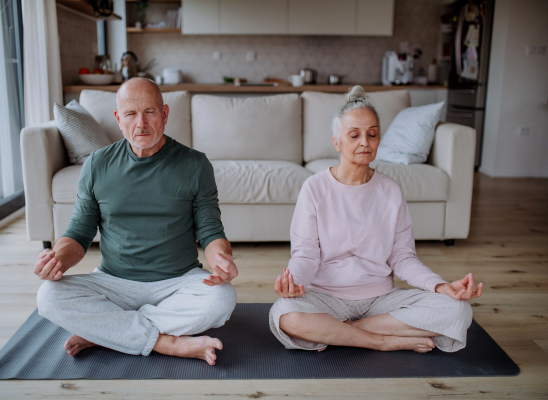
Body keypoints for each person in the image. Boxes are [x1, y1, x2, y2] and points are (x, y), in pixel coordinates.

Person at [34, 78, 237, 366]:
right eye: (130, 114)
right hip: (113, 282)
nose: (141, 123)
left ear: (165, 115)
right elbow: (78, 234)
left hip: (177, 282)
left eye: (150, 112)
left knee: (222, 298)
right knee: (48, 296)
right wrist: (58, 261)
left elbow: (210, 230)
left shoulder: (195, 164)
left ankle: (106, 332)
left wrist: (222, 259)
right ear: (118, 119)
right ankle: (168, 343)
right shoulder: (97, 165)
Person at [269, 86, 482, 354]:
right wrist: (294, 283)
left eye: (372, 134)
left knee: (458, 311)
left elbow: (403, 257)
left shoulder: (390, 190)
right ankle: (381, 340)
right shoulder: (314, 188)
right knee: (285, 314)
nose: (365, 143)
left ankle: (344, 331)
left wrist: (440, 286)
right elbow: (306, 255)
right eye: (354, 135)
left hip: (380, 299)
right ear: (336, 142)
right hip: (325, 297)